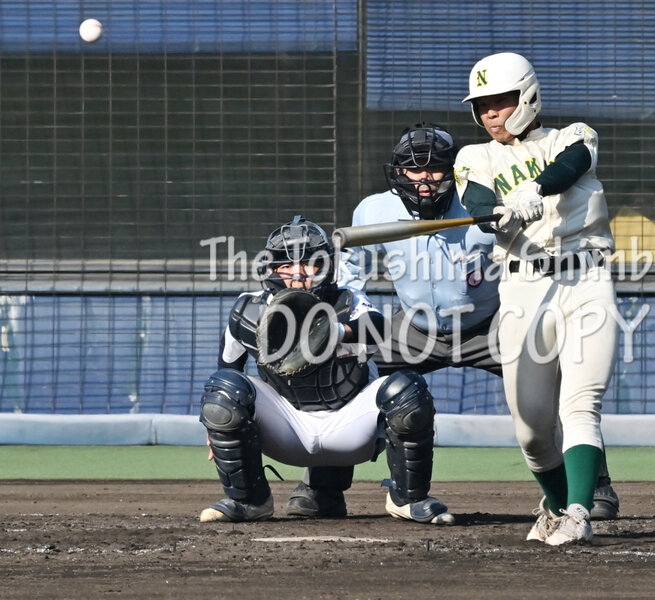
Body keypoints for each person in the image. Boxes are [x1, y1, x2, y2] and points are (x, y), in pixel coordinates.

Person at [290, 122, 620, 523]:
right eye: (414, 168)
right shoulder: (373, 211)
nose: (424, 178)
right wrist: (354, 323)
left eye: (433, 168)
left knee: (557, 387)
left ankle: (595, 486)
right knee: (346, 372)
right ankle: (322, 488)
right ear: (397, 171)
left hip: (490, 323)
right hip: (413, 329)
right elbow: (350, 274)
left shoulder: (484, 200)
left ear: (453, 170)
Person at [454, 52, 619, 545]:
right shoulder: (474, 156)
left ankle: (579, 513)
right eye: (482, 105)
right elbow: (477, 201)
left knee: (580, 405)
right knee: (531, 430)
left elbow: (573, 164)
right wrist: (496, 214)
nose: (490, 113)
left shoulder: (572, 136)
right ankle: (555, 506)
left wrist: (534, 189)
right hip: (522, 289)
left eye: (501, 101)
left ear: (527, 97)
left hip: (585, 281)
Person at [198, 215, 454, 526]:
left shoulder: (347, 300)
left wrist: (336, 330)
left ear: (327, 267)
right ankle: (248, 501)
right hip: (288, 429)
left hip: (349, 427)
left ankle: (408, 499)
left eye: (309, 264)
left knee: (407, 390)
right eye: (286, 264)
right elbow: (228, 370)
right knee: (223, 391)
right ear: (271, 269)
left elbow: (377, 327)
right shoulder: (248, 310)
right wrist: (218, 426)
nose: (297, 274)